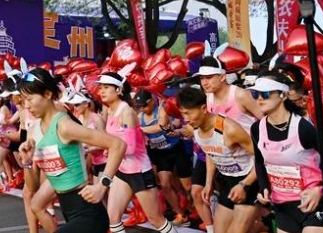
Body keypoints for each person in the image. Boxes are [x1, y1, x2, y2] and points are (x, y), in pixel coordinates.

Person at [18, 68, 128, 233]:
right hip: (68, 210)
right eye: (23, 100)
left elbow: (118, 145)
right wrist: (27, 162)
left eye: (29, 99)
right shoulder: (33, 131)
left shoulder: (64, 126)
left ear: (47, 94)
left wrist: (102, 186)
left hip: (89, 214)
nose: (26, 105)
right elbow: (32, 187)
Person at [250, 72, 323, 233]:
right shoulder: (257, 128)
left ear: (283, 95)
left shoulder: (303, 128)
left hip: (313, 203)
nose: (259, 99)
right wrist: (263, 187)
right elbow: (260, 162)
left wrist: (319, 189)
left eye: (265, 93)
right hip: (283, 207)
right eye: (255, 94)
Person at [178, 86, 259, 233]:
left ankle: (261, 223)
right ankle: (259, 225)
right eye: (183, 114)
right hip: (227, 182)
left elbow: (261, 158)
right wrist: (208, 183)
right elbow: (211, 152)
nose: (186, 119)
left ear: (203, 108)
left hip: (250, 181)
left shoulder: (230, 129)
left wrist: (244, 184)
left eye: (189, 113)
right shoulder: (195, 129)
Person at [97, 73, 171, 233]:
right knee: (113, 219)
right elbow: (113, 140)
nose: (101, 91)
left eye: (106, 87)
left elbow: (129, 148)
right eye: (100, 87)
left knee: (156, 220)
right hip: (122, 170)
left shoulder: (127, 112)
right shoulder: (109, 110)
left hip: (139, 172)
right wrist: (108, 148)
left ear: (118, 90)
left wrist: (111, 149)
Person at [136, 89, 193, 226]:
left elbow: (161, 127)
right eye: (140, 106)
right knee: (165, 185)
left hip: (175, 149)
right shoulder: (140, 117)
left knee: (188, 186)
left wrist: (140, 130)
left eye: (144, 105)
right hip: (160, 153)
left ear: (151, 101)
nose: (142, 108)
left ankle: (194, 205)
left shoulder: (161, 109)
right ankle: (180, 214)